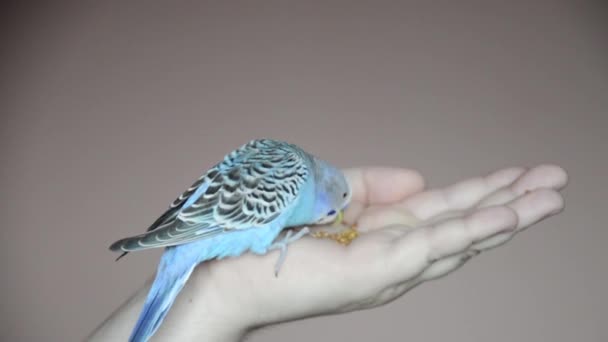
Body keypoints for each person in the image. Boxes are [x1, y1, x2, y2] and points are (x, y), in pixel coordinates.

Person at [87, 164, 567, 341]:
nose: (333, 217)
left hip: (195, 219)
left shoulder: (287, 166)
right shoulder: (293, 179)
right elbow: (241, 221)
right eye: (334, 208)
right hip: (202, 233)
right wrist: (283, 237)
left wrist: (227, 293)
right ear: (323, 188)